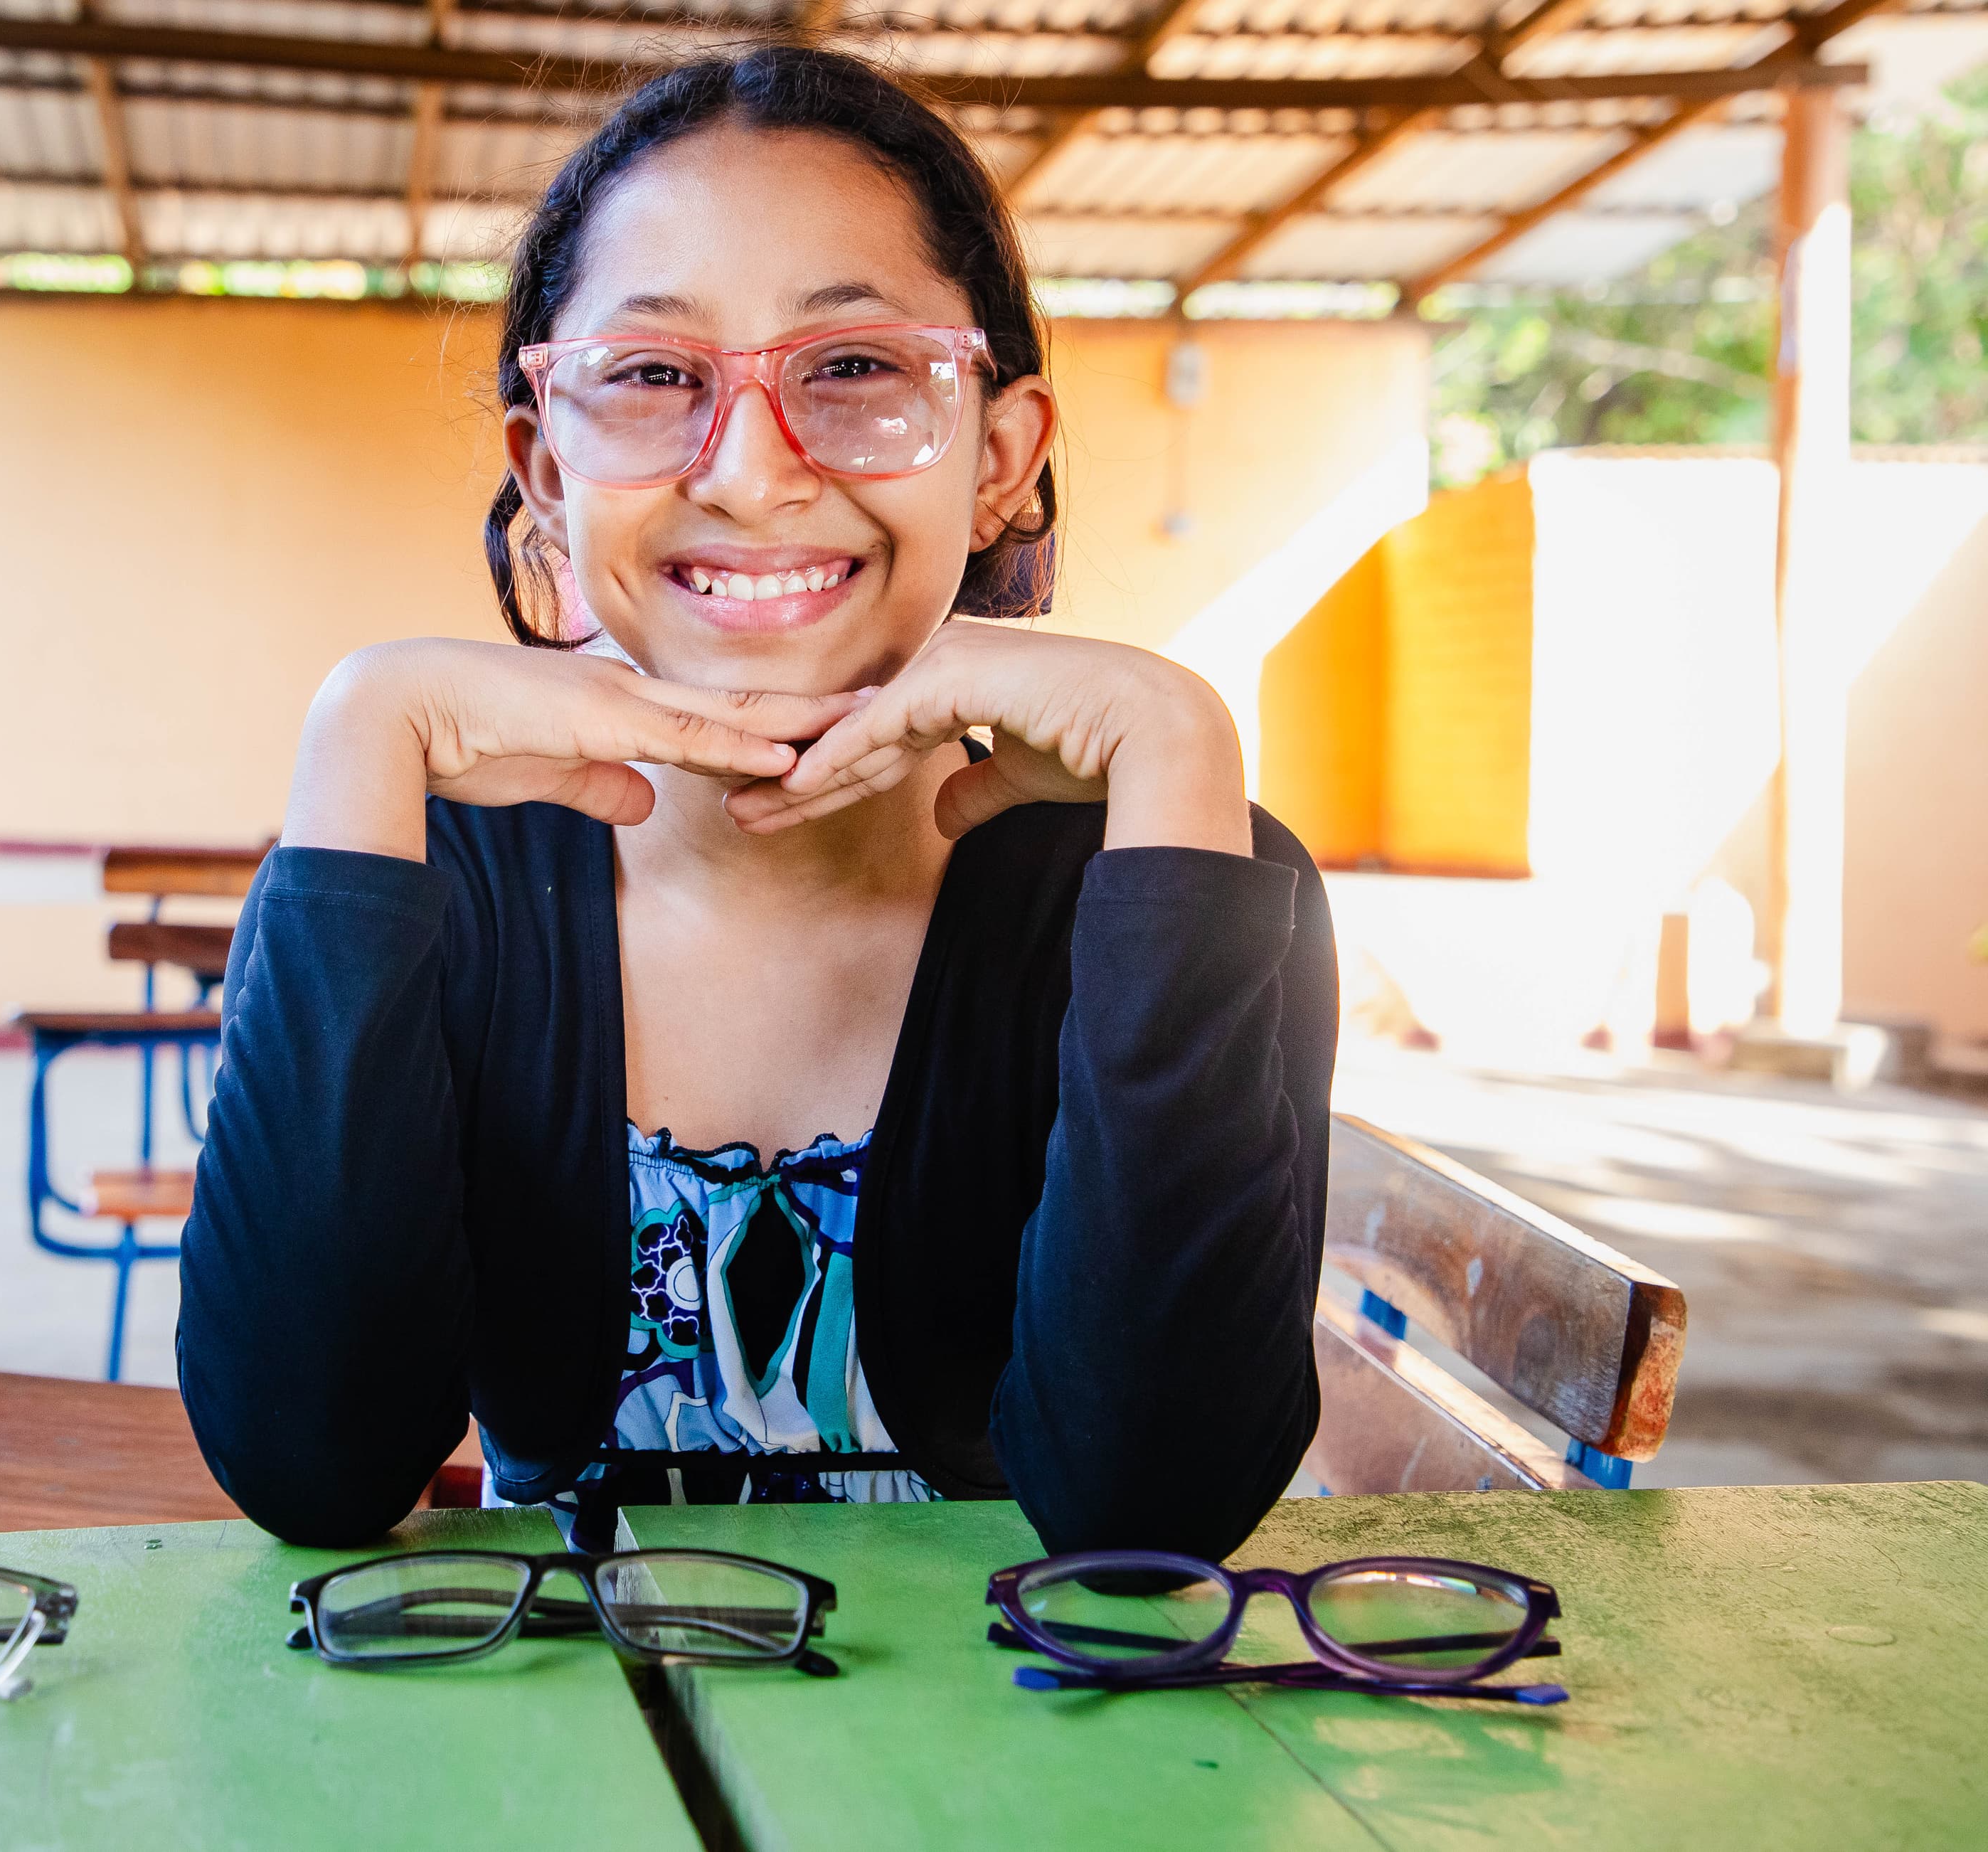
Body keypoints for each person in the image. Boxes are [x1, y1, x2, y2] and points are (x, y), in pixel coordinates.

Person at [177, 45, 1336, 1558]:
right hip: (571, 1759)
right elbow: (310, 1465)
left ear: (999, 457)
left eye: (853, 370)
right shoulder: (423, 866)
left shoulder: (1170, 875)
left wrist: (1182, 745)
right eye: (654, 378)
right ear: (545, 469)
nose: (749, 471)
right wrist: (357, 734)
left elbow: (1154, 1510)